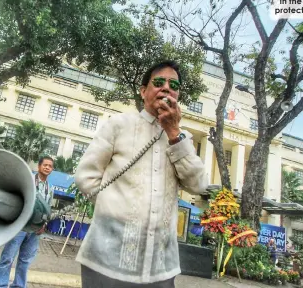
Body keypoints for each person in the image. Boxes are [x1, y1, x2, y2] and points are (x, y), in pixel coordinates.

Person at [75, 60, 208, 287]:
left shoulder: (182, 137)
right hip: (107, 261)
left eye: (173, 85)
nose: (166, 87)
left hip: (160, 268)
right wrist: (118, 212)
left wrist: (174, 133)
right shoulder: (118, 125)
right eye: (158, 82)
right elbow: (86, 176)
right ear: (144, 90)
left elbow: (199, 185)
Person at [0, 156, 55, 288]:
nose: (47, 167)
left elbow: (48, 209)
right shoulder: (29, 181)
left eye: (50, 166)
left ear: (52, 169)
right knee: (8, 257)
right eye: (45, 165)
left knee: (25, 260)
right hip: (20, 226)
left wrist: (44, 225)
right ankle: (0, 285)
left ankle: (19, 285)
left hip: (35, 230)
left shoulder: (51, 188)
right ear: (39, 166)